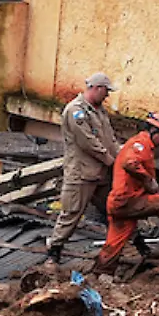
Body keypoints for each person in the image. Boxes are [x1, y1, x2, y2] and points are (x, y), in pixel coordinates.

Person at [95, 112, 159, 274]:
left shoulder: (142, 144)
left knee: (114, 244)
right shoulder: (140, 144)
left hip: (120, 203)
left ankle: (101, 271)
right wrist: (148, 181)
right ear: (156, 132)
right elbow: (130, 163)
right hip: (129, 201)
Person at [47, 73, 121, 265]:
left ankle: (134, 244)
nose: (107, 96)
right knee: (72, 213)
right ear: (96, 88)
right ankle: (54, 251)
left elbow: (109, 138)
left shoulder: (99, 111)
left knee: (115, 208)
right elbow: (87, 142)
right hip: (82, 174)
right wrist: (110, 160)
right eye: (105, 91)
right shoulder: (76, 111)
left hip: (100, 174)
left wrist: (120, 156)